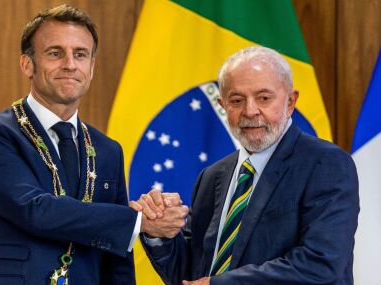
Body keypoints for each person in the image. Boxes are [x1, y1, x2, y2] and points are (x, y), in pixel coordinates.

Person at [0, 4, 188, 284]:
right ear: (27, 64)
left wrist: (139, 222)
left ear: (91, 68)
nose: (70, 64)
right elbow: (34, 210)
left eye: (80, 55)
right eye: (55, 53)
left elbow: (116, 259)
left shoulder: (108, 150)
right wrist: (140, 221)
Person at [131, 46, 359, 285]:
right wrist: (158, 234)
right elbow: (190, 275)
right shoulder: (211, 177)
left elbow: (321, 263)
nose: (250, 111)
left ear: (290, 102)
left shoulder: (326, 164)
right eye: (237, 100)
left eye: (264, 98)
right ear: (223, 105)